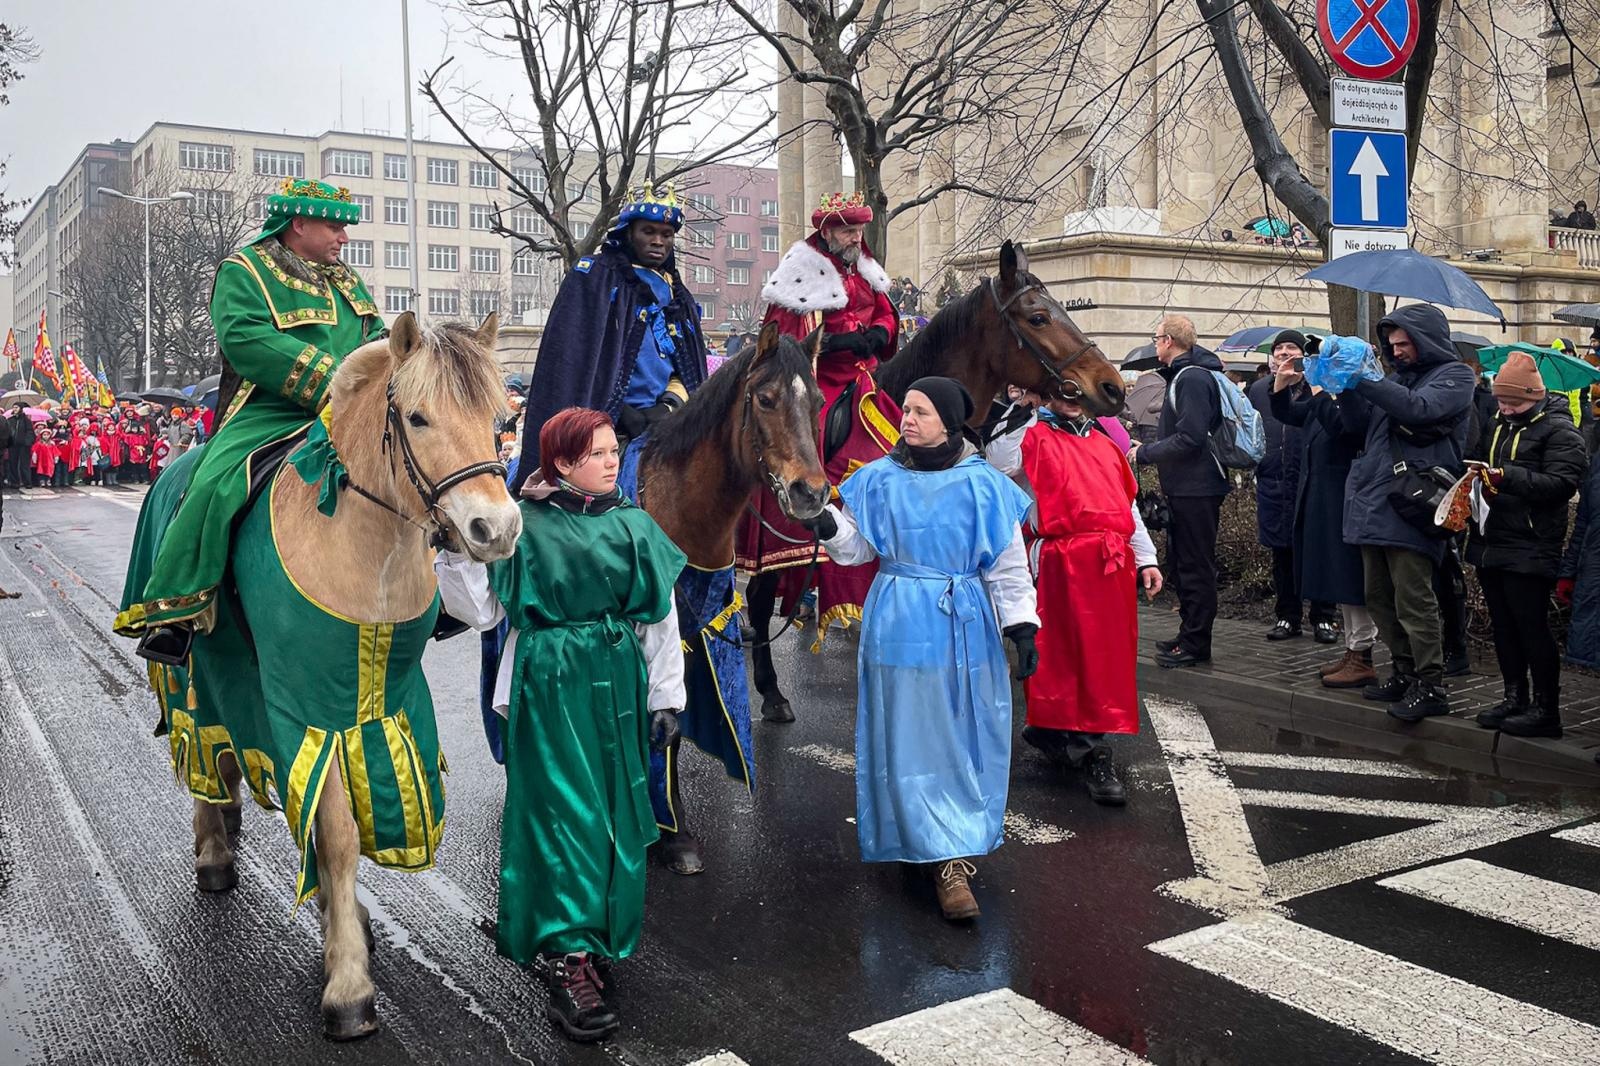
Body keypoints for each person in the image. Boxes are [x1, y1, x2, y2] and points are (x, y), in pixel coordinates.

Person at [434, 407, 686, 1043]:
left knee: (617, 815)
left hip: (618, 679)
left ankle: (595, 937)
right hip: (550, 681)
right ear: (563, 462)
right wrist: (456, 551)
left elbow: (658, 617)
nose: (612, 460)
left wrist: (667, 696)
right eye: (597, 452)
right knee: (564, 818)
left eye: (612, 449)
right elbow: (482, 612)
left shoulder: (633, 524)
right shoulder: (524, 524)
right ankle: (568, 959)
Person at [114, 178, 381, 662]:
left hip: (354, 410)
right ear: (298, 224)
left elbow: (377, 338)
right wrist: (335, 381)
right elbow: (245, 339)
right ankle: (177, 605)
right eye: (334, 227)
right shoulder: (244, 271)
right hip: (271, 409)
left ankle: (439, 588)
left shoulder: (347, 279)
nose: (344, 238)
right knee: (214, 485)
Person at [810, 377, 1036, 920]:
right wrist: (824, 522)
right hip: (898, 620)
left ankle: (950, 857)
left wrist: (1021, 625)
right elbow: (856, 549)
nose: (906, 420)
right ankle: (916, 836)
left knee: (958, 736)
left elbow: (1007, 566)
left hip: (964, 623)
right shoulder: (878, 479)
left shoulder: (985, 485)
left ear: (949, 423)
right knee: (906, 736)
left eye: (920, 412)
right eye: (906, 410)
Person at [738, 190, 900, 643]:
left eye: (859, 229)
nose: (856, 237)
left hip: (864, 378)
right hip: (818, 380)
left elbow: (887, 314)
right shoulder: (801, 270)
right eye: (848, 230)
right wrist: (836, 343)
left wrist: (877, 334)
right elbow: (786, 343)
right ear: (827, 231)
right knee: (806, 439)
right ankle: (799, 517)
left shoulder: (864, 267)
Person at [986, 390, 1161, 805]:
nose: (1073, 398)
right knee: (1060, 658)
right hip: (1058, 562)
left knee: (1103, 660)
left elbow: (1127, 507)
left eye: (1080, 391)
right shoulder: (1031, 434)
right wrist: (1025, 409)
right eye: (1064, 389)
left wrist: (1146, 558)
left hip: (1110, 566)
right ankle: (1080, 745)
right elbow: (998, 462)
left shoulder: (1105, 443)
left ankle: (1072, 739)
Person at [1336, 305, 1475, 721]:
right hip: (1377, 501)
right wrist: (1346, 387)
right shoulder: (1396, 380)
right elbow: (1358, 428)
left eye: (1403, 343)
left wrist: (1367, 378)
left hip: (1412, 504)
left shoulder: (1455, 376)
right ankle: (1404, 671)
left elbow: (1419, 409)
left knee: (1414, 599)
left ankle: (1431, 683)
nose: (1396, 351)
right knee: (1379, 598)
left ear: (1425, 339)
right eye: (1391, 344)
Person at [517, 181, 707, 469]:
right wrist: (618, 410)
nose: (658, 241)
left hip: (664, 426)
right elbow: (571, 363)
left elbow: (688, 367)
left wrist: (669, 405)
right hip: (599, 425)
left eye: (666, 234)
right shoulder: (593, 277)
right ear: (628, 233)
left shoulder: (679, 296)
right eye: (648, 232)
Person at [1465, 353, 1587, 738]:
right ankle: (1514, 697)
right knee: (1504, 626)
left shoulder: (1560, 432)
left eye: (1513, 402)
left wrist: (1507, 477)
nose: (1505, 408)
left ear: (1533, 396)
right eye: (1501, 400)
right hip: (1491, 538)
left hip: (1532, 543)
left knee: (1531, 627)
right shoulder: (1496, 423)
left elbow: (1562, 485)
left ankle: (1546, 710)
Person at [1269, 337, 1377, 689]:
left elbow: (1345, 429)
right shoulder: (1329, 396)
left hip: (1344, 499)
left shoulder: (1359, 396)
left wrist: (1318, 390)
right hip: (1322, 498)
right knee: (1337, 576)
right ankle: (1353, 649)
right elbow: (1291, 414)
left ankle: (1362, 653)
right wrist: (1280, 386)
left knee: (1349, 577)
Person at [1127, 314, 1228, 668]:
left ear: (1169, 341)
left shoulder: (1193, 378)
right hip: (1188, 487)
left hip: (1197, 488)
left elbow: (1191, 437)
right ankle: (1188, 634)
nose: (1155, 344)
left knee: (1196, 566)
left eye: (1157, 338)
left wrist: (1146, 452)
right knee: (1185, 564)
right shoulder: (1185, 375)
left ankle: (1196, 643)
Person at [1248, 331, 1337, 643]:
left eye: (1292, 347)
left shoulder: (1319, 387)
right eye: (1279, 348)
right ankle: (1287, 616)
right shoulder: (1259, 389)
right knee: (1282, 555)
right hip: (1274, 482)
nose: (1284, 353)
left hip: (1309, 480)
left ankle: (1324, 617)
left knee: (1318, 550)